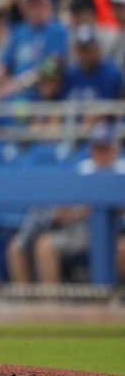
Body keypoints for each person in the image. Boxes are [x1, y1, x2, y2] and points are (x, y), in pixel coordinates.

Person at [7, 121, 125, 284]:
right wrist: (70, 213)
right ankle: (51, 303)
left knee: (122, 248)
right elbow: (68, 206)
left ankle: (117, 298)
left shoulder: (121, 170)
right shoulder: (83, 169)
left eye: (104, 148)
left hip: (116, 231)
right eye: (97, 148)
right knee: (44, 245)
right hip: (83, 230)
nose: (100, 153)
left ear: (114, 149)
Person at [0, 0, 69, 100]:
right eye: (31, 3)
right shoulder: (18, 33)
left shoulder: (58, 31)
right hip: (17, 100)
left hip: (44, 100)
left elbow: (53, 65)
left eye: (38, 2)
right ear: (22, 7)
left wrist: (19, 84)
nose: (36, 7)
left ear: (47, 2)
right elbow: (4, 65)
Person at [64, 25, 123, 102]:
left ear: (98, 49)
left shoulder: (112, 74)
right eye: (81, 50)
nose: (84, 55)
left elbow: (105, 109)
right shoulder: (72, 74)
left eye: (87, 50)